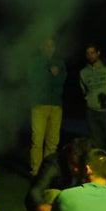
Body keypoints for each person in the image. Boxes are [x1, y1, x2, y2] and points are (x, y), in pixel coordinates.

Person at [24, 136, 92, 211]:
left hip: (75, 205)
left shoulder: (90, 165)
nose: (75, 169)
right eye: (72, 163)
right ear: (68, 156)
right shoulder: (53, 164)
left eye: (79, 166)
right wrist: (48, 210)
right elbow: (34, 193)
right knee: (53, 194)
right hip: (57, 206)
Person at [27, 38, 67, 176]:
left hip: (56, 106)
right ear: (41, 47)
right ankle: (35, 172)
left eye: (52, 46)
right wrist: (49, 73)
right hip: (39, 105)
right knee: (37, 141)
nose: (49, 48)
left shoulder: (60, 63)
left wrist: (54, 75)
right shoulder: (34, 62)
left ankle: (47, 172)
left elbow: (62, 80)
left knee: (52, 142)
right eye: (46, 46)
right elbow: (34, 80)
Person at [79, 43, 106, 167]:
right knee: (96, 144)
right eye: (87, 53)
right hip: (91, 111)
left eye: (92, 52)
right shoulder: (83, 73)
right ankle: (99, 171)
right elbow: (84, 91)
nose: (90, 56)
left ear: (98, 53)